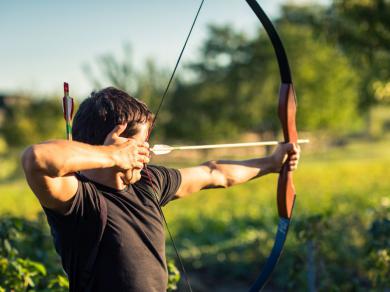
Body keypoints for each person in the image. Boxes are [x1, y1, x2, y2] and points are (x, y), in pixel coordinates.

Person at [21, 87, 300, 292]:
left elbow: (214, 173)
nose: (148, 153)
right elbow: (36, 159)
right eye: (142, 145)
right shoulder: (79, 200)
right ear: (119, 144)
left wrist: (272, 163)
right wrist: (112, 156)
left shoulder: (149, 182)